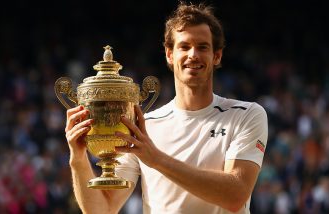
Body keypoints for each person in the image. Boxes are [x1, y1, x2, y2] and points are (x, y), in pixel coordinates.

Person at [64, 2, 268, 214]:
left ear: (217, 56)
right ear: (169, 54)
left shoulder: (246, 115)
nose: (193, 55)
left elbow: (235, 195)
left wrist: (156, 159)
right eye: (184, 46)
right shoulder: (144, 128)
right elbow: (102, 210)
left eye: (203, 47)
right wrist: (77, 158)